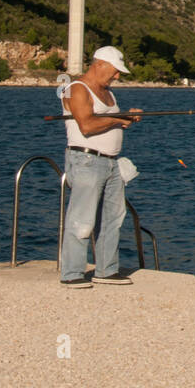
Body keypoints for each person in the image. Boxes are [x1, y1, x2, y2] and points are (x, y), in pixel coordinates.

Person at [58, 46, 142, 288]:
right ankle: (72, 272)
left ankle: (106, 270)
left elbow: (107, 120)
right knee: (82, 218)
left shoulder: (109, 93)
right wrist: (119, 119)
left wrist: (127, 116)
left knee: (113, 218)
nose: (117, 77)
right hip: (86, 161)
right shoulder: (76, 89)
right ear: (100, 65)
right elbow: (86, 125)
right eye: (115, 72)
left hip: (111, 163)